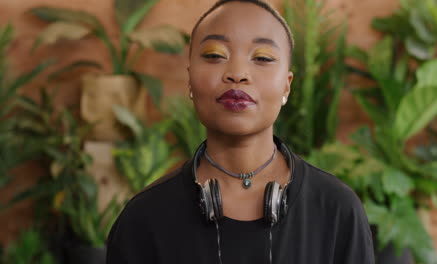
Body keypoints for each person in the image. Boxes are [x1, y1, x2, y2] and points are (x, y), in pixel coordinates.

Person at [106, 0, 374, 263]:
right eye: (215, 55)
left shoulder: (338, 210)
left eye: (263, 57)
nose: (238, 73)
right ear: (190, 79)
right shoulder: (144, 218)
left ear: (287, 86)